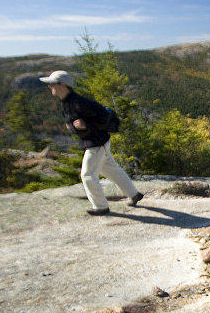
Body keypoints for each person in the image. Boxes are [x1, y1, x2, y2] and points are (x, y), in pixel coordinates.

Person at [40, 70, 143, 215]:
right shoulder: (68, 102)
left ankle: (101, 207)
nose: (49, 87)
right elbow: (77, 122)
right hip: (98, 142)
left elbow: (103, 118)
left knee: (87, 175)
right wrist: (72, 126)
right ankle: (134, 194)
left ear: (62, 85)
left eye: (51, 84)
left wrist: (87, 125)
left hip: (96, 144)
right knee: (110, 169)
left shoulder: (79, 102)